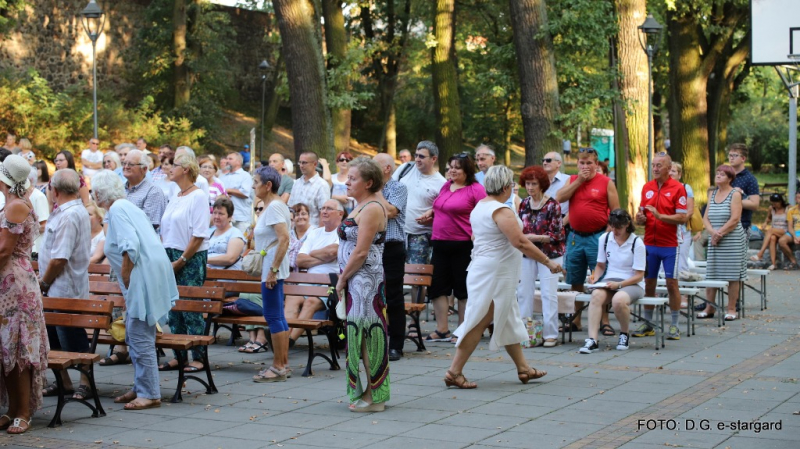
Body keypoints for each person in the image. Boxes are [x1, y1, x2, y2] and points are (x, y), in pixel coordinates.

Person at [445, 165, 559, 389]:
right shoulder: (501, 210)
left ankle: (524, 368)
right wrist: (547, 262)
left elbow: (477, 236)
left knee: (508, 318)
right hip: (495, 272)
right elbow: (520, 242)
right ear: (507, 186)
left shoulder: (481, 206)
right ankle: (454, 371)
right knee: (479, 320)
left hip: (488, 269)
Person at [90, 170, 178, 410]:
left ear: (99, 193)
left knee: (140, 337)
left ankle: (150, 393)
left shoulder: (118, 209)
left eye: (92, 191)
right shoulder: (124, 207)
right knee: (134, 334)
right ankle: (142, 386)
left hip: (141, 279)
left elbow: (131, 245)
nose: (91, 195)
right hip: (142, 279)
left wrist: (128, 279)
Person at [335, 157, 389, 412]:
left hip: (365, 283)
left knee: (369, 338)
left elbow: (361, 252)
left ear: (368, 182)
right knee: (360, 336)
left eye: (353, 178)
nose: (347, 181)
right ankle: (367, 392)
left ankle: (376, 397)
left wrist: (342, 279)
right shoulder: (360, 205)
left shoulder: (373, 208)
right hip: (355, 281)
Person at [0, 154, 49, 434]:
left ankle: (23, 412)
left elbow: (5, 251)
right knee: (6, 346)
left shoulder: (16, 206)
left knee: (18, 347)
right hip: (8, 281)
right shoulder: (11, 203)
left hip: (14, 283)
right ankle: (11, 409)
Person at [38, 168, 92, 400]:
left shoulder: (70, 214)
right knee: (52, 336)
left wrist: (44, 282)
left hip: (63, 288)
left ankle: (86, 384)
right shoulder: (67, 211)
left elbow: (60, 257)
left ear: (55, 190)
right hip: (58, 290)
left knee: (73, 338)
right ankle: (64, 383)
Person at [420, 153, 486, 343]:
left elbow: (484, 214)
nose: (452, 170)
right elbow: (440, 205)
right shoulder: (446, 186)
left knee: (462, 289)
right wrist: (430, 211)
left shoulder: (476, 190)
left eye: (457, 167)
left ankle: (462, 330)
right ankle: (442, 329)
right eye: (450, 167)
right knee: (438, 288)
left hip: (463, 245)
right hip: (439, 243)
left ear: (467, 170)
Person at [556, 148, 620, 332]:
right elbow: (559, 198)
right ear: (577, 164)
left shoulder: (606, 182)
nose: (585, 166)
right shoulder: (572, 180)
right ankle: (576, 320)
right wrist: (580, 181)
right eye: (582, 163)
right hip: (575, 236)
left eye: (589, 163)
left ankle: (604, 321)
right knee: (575, 279)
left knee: (600, 278)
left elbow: (615, 212)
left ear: (596, 164)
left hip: (597, 236)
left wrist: (607, 235)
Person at [158, 154, 210, 373]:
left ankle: (199, 357)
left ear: (186, 169)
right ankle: (179, 356)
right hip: (170, 254)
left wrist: (181, 260)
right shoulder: (175, 194)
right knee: (174, 310)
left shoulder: (198, 196)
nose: (170, 168)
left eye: (175, 165)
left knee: (190, 308)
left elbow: (198, 235)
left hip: (190, 256)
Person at [632, 153, 687, 341]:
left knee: (672, 283)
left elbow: (682, 217)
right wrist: (640, 219)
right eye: (653, 165)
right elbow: (642, 215)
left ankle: (674, 325)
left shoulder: (678, 188)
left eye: (659, 166)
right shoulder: (647, 187)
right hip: (649, 243)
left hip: (670, 244)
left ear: (668, 167)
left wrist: (660, 216)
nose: (655, 169)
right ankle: (648, 324)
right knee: (648, 282)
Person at [579, 210, 645, 353]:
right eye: (613, 227)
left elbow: (639, 275)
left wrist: (620, 285)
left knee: (618, 300)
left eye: (619, 227)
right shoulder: (605, 238)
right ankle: (592, 340)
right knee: (596, 295)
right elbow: (600, 265)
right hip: (610, 280)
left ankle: (624, 333)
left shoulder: (637, 242)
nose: (615, 231)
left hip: (632, 283)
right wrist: (594, 277)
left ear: (627, 224)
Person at [252, 166, 292, 382]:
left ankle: (277, 366)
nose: (253, 186)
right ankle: (283, 364)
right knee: (278, 316)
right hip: (273, 269)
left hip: (272, 270)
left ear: (268, 185)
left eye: (256, 182)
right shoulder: (273, 205)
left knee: (273, 317)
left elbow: (284, 238)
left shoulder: (275, 206)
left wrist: (273, 271)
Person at [516, 166, 564, 347]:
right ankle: (524, 332)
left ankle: (550, 333)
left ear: (542, 185)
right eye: (527, 183)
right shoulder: (523, 204)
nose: (530, 187)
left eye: (534, 184)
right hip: (527, 254)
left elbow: (557, 235)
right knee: (524, 293)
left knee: (548, 293)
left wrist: (533, 238)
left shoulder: (553, 204)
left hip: (550, 254)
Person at [285, 199, 342, 347]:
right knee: (292, 298)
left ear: (340, 214)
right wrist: (325, 258)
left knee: (310, 301)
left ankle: (289, 341)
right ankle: (283, 339)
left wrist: (313, 252)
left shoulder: (342, 233)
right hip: (308, 280)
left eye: (329, 208)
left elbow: (333, 251)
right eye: (322, 208)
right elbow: (300, 260)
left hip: (330, 283)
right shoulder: (315, 233)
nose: (324, 211)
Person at [399, 141, 446, 306]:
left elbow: (442, 211)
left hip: (420, 235)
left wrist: (432, 215)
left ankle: (414, 318)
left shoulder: (441, 183)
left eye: (422, 156)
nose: (417, 159)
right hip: (396, 232)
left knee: (417, 278)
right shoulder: (406, 169)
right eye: (416, 155)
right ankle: (392, 315)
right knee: (392, 274)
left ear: (433, 159)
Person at [697, 165, 747, 321]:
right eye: (717, 173)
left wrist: (720, 233)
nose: (718, 176)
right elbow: (705, 218)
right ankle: (709, 307)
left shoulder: (735, 194)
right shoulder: (712, 194)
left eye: (722, 174)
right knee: (711, 273)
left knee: (733, 276)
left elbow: (735, 219)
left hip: (732, 239)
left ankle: (731, 309)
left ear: (730, 178)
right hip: (715, 238)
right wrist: (713, 232)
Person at [373, 153, 408, 361]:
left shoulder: (398, 188)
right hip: (372, 247)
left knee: (393, 296)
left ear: (387, 169)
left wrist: (375, 192)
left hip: (392, 247)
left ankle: (396, 344)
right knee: (372, 295)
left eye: (375, 165)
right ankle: (375, 340)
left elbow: (391, 211)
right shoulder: (371, 188)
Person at [670, 162, 696, 301]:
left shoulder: (686, 188)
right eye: (669, 170)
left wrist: (675, 220)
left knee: (682, 263)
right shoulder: (660, 187)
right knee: (664, 264)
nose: (670, 173)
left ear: (679, 174)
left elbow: (689, 211)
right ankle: (666, 294)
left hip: (682, 230)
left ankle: (684, 295)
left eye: (673, 171)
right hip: (665, 231)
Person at [122, 150, 167, 231]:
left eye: (131, 164)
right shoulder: (119, 189)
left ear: (144, 169)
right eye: (124, 163)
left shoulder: (153, 191)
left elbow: (149, 225)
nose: (126, 167)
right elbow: (108, 219)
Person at [750, 193, 797, 270]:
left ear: (781, 201)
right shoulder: (771, 208)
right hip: (775, 230)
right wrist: (765, 223)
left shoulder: (788, 208)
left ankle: (760, 254)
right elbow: (769, 218)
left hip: (785, 231)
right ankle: (773, 263)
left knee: (770, 230)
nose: (774, 205)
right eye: (773, 203)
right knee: (772, 238)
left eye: (776, 203)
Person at [727, 143, 760, 241]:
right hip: (722, 223)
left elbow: (754, 204)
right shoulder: (724, 175)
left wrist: (732, 201)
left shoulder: (750, 179)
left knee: (739, 256)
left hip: (742, 225)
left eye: (735, 155)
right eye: (730, 155)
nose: (731, 158)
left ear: (743, 158)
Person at [288, 151, 331, 227]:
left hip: (312, 233)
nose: (301, 166)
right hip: (295, 232)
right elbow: (291, 208)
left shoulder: (322, 185)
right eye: (300, 162)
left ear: (315, 164)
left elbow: (324, 213)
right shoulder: (296, 183)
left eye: (304, 163)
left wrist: (319, 234)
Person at [207, 197, 246, 270]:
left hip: (226, 277)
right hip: (208, 276)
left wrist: (205, 260)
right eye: (214, 213)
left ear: (230, 217)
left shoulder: (235, 233)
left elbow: (230, 258)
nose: (216, 217)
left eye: (221, 214)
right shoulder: (209, 233)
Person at [221, 153, 253, 233]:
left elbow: (245, 193)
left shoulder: (245, 176)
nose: (227, 161)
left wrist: (228, 190)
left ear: (238, 162)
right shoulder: (223, 177)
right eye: (227, 159)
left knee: (242, 243)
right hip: (225, 217)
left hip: (241, 217)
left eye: (230, 159)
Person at [288, 203, 315, 271]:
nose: (300, 217)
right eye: (297, 215)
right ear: (293, 218)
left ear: (309, 216)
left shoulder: (315, 233)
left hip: (309, 271)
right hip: (288, 272)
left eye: (303, 214)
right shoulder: (288, 234)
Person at [784, 192, 800, 270]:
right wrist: (795, 236)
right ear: (796, 199)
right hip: (794, 231)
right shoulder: (791, 210)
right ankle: (793, 261)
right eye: (798, 198)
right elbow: (790, 226)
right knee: (782, 241)